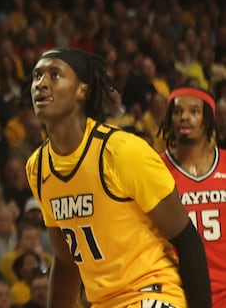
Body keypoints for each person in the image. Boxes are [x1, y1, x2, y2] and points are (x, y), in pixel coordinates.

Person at [24, 48, 211, 308]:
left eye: (54, 75)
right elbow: (66, 260)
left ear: (82, 91)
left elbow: (187, 240)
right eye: (36, 76)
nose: (41, 84)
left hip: (153, 292)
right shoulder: (38, 167)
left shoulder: (121, 152)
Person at [159, 86, 226, 308]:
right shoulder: (155, 169)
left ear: (208, 118)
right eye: (177, 112)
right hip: (176, 292)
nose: (184, 117)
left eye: (194, 111)